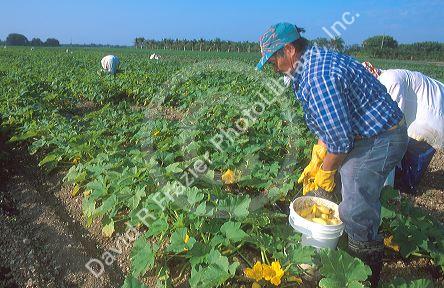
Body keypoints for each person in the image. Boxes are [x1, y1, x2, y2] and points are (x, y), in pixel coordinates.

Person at [256, 23, 409, 287]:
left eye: (273, 60)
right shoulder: (310, 63)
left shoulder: (318, 76)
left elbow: (340, 142)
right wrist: (318, 154)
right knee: (343, 188)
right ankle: (341, 246)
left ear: (289, 50)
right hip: (364, 134)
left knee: (355, 205)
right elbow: (329, 120)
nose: (273, 66)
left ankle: (364, 272)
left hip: (381, 138)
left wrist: (325, 171)